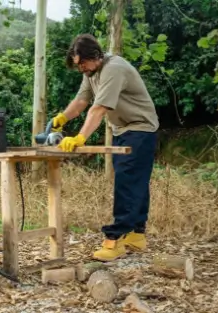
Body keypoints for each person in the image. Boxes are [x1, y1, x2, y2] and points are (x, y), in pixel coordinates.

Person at [52, 34, 159, 262]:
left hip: (141, 128)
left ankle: (116, 238)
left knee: (126, 181)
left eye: (83, 63)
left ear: (96, 56)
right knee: (135, 181)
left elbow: (98, 109)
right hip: (123, 129)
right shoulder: (91, 72)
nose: (81, 68)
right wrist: (62, 118)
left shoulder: (114, 69)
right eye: (78, 65)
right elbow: (82, 101)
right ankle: (136, 234)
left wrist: (80, 137)